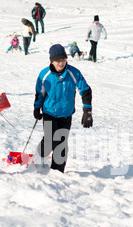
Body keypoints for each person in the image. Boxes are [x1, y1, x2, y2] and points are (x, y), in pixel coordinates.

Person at [33, 44, 93, 173]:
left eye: (63, 60)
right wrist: (37, 108)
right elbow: (39, 93)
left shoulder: (73, 73)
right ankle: (39, 158)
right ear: (52, 61)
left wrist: (87, 111)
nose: (61, 63)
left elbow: (86, 90)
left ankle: (57, 172)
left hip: (66, 114)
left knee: (61, 143)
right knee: (50, 140)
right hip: (49, 112)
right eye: (58, 61)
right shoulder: (45, 74)